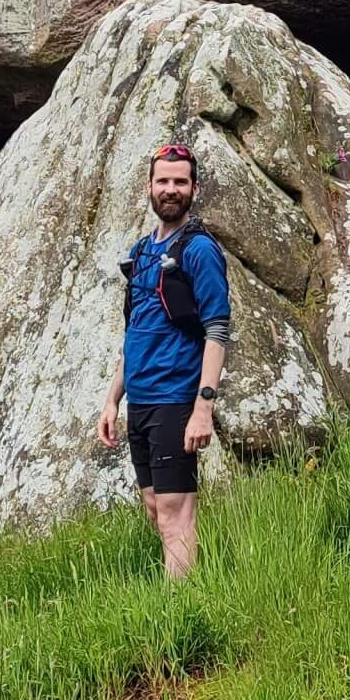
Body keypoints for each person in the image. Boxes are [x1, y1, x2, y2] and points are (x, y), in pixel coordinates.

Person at [96, 141, 230, 580]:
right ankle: (183, 592)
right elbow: (134, 332)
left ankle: (180, 618)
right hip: (142, 402)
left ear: (194, 188)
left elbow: (217, 330)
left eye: (180, 181)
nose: (170, 189)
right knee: (155, 509)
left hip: (176, 399)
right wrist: (113, 400)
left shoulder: (199, 251)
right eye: (163, 181)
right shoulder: (142, 251)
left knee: (175, 512)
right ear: (149, 187)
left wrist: (202, 408)